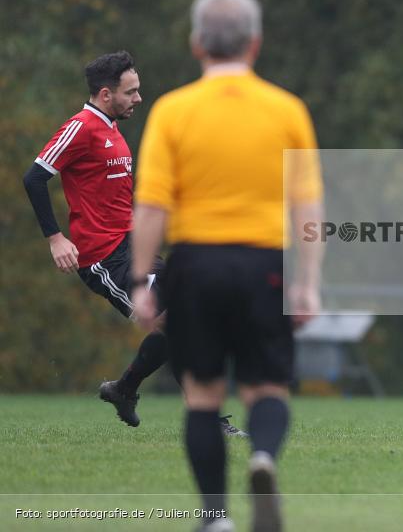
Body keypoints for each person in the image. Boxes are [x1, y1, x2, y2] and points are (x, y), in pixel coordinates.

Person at [130, 0, 324, 532]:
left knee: (202, 396)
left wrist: (144, 278)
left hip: (195, 267)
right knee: (267, 389)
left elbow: (151, 206)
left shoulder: (172, 111)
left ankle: (215, 518)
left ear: (197, 45)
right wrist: (306, 281)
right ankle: (262, 457)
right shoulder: (287, 110)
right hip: (264, 264)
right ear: (255, 44)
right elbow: (308, 207)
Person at [22, 51, 246, 437]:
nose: (138, 98)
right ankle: (203, 419)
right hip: (104, 260)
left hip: (133, 250)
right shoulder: (81, 127)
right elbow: (34, 177)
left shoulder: (112, 129)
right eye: (131, 92)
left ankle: (125, 390)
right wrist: (56, 238)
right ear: (106, 94)